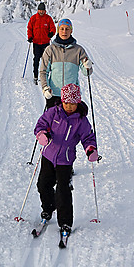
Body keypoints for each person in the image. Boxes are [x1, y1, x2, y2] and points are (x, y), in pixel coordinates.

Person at [34, 83, 101, 235]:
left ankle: (65, 222)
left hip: (65, 159)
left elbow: (88, 137)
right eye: (66, 103)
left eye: (72, 104)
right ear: (62, 101)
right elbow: (41, 124)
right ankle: (48, 208)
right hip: (48, 155)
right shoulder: (53, 112)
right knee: (43, 185)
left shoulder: (81, 120)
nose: (69, 106)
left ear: (77, 103)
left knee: (63, 191)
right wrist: (42, 134)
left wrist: (90, 149)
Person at [39, 18, 93, 109]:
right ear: (58, 30)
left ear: (71, 30)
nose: (64, 31)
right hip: (54, 94)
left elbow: (86, 72)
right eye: (62, 28)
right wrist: (45, 88)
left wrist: (88, 66)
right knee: (53, 122)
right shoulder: (50, 50)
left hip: (72, 95)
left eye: (67, 29)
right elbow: (43, 71)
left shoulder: (78, 50)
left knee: (72, 122)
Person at [26, 2, 55, 85]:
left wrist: (51, 33)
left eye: (42, 10)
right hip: (36, 43)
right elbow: (29, 28)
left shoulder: (48, 18)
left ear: (45, 11)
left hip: (46, 43)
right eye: (40, 10)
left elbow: (53, 28)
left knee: (46, 60)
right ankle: (35, 76)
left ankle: (46, 76)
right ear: (38, 10)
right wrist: (30, 37)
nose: (41, 12)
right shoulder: (33, 18)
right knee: (36, 59)